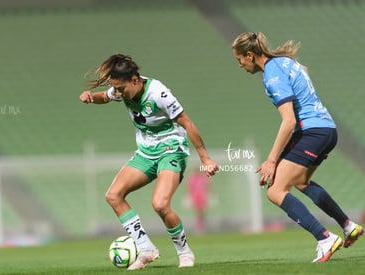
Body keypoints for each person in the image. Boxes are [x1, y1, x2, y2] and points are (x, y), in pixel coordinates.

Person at [231, 32, 363, 263]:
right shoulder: (285, 61)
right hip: (327, 129)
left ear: (250, 55)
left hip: (311, 131)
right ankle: (347, 225)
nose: (240, 64)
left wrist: (272, 160)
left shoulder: (271, 74)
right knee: (301, 182)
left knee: (276, 191)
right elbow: (305, 70)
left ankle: (324, 238)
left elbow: (289, 122)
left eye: (239, 59)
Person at [79, 54, 219, 270]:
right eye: (115, 88)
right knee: (113, 195)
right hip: (146, 153)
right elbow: (105, 97)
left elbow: (187, 123)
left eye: (121, 88)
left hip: (172, 150)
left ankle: (184, 252)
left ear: (135, 80)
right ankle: (146, 249)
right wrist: (91, 97)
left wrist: (205, 158)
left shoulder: (159, 93)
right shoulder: (121, 89)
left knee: (160, 204)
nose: (118, 92)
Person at [187, 167, 211, 234]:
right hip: (195, 197)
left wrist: (208, 196)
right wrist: (189, 197)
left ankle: (202, 226)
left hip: (202, 197)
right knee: (198, 213)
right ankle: (199, 227)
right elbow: (189, 188)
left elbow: (208, 186)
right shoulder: (192, 178)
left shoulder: (203, 178)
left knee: (202, 213)